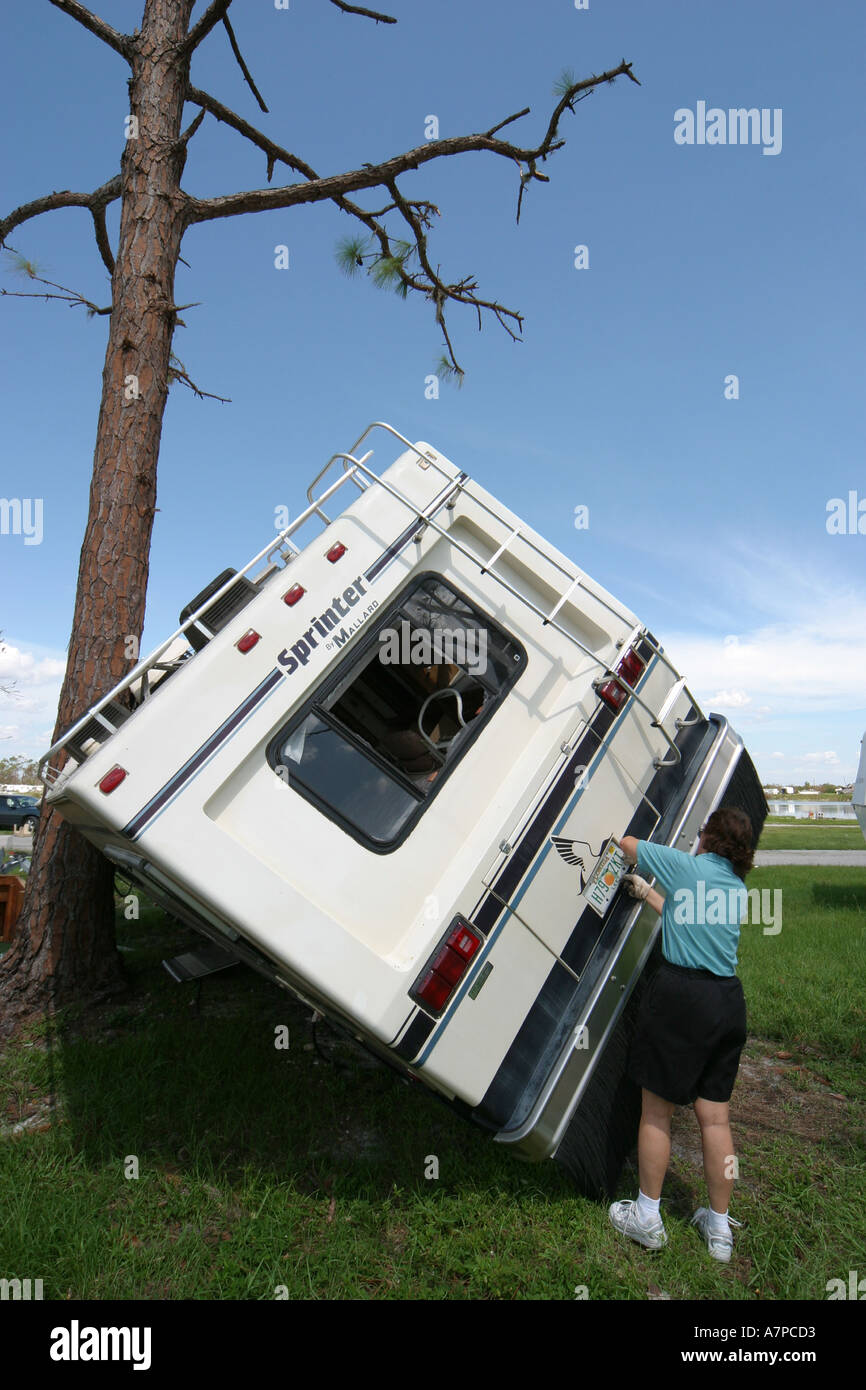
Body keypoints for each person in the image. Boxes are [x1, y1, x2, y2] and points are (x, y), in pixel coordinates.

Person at [608, 807, 754, 1262]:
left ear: (708, 837)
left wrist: (638, 855)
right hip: (727, 1003)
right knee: (715, 1119)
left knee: (657, 1111)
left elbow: (628, 844)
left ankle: (647, 1218)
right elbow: (683, 912)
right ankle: (718, 1230)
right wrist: (649, 893)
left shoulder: (688, 866)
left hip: (681, 999)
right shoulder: (735, 888)